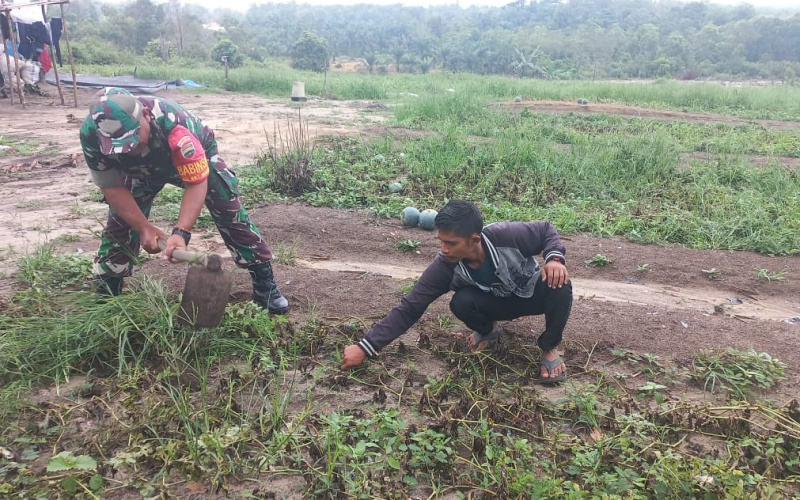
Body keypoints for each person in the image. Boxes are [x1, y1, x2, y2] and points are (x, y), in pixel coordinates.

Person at [79, 87, 288, 314]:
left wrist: (181, 232)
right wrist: (143, 227)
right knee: (121, 221)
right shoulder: (92, 135)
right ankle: (108, 290)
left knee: (228, 208)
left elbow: (196, 183)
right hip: (138, 172)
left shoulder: (176, 127)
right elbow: (112, 187)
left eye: (133, 140)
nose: (130, 150)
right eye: (121, 147)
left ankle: (265, 285)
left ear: (146, 115)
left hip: (196, 156)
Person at [340, 200, 572, 382]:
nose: (444, 249)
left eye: (451, 243)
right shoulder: (444, 267)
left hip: (530, 294)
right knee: (460, 302)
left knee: (560, 283)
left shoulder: (506, 235)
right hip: (497, 303)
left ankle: (549, 347)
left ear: (474, 239)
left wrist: (554, 259)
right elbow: (411, 307)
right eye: (441, 241)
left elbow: (545, 229)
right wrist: (365, 347)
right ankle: (489, 329)